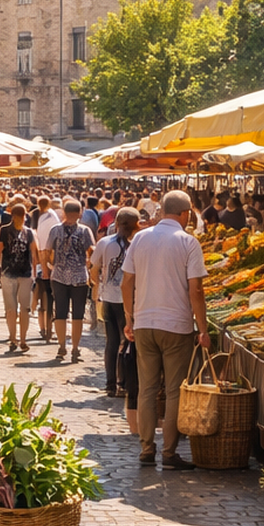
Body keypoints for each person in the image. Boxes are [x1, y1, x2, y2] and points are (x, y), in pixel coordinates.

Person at [121, 190, 209, 471]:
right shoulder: (188, 243)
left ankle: (147, 448)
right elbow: (196, 290)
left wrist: (129, 317)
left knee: (146, 388)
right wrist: (203, 328)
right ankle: (169, 453)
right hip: (177, 326)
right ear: (184, 214)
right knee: (174, 391)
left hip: (145, 323)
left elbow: (126, 283)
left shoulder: (141, 238)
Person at [90, 207, 139, 398]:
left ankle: (111, 383)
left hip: (109, 298)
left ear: (116, 224)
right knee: (128, 341)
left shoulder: (104, 243)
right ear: (136, 225)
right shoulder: (137, 244)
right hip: (131, 301)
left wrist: (98, 284)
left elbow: (93, 269)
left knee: (111, 342)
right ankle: (125, 382)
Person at [43, 200, 95, 363]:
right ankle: (75, 347)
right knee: (77, 314)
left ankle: (61, 345)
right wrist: (88, 266)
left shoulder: (55, 230)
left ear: (64, 213)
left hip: (58, 275)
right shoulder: (84, 231)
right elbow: (92, 251)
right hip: (79, 276)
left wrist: (50, 266)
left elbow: (47, 251)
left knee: (60, 312)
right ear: (80, 213)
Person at [0, 203, 38, 351]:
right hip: (8, 273)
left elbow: (34, 254)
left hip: (25, 274)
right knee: (11, 309)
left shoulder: (29, 233)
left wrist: (34, 274)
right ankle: (13, 338)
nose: (21, 219)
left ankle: (22, 339)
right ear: (15, 217)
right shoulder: (4, 231)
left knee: (24, 309)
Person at [31, 196, 60, 342]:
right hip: (47, 264)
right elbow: (48, 245)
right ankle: (49, 331)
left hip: (39, 264)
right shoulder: (50, 217)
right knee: (49, 301)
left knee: (41, 300)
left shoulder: (37, 216)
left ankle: (43, 329)